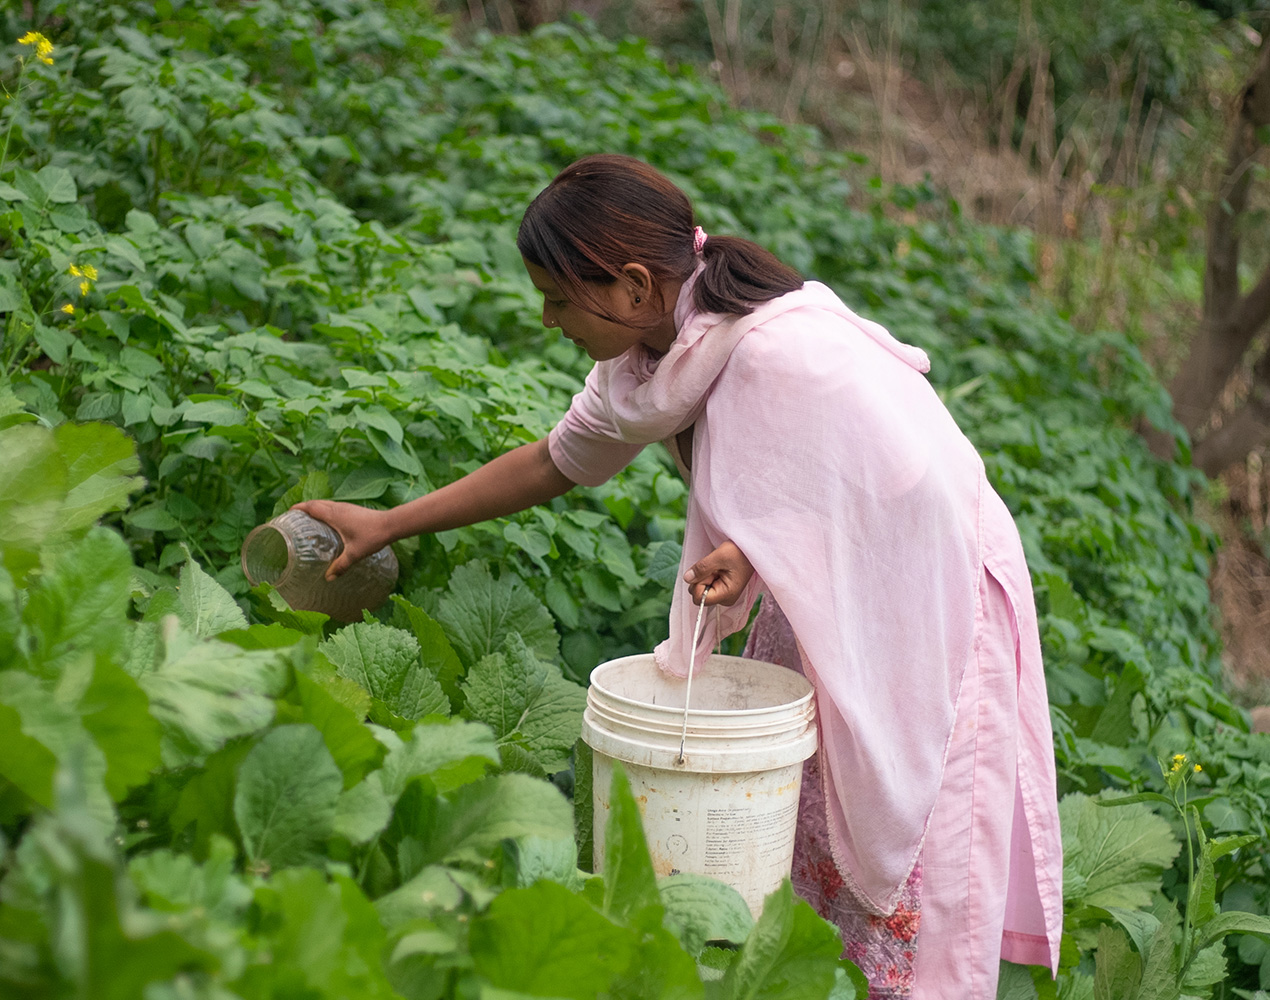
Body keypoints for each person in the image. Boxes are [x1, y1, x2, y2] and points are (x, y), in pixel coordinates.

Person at [295, 153, 1063, 999]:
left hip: (928, 597)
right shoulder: (651, 364)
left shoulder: (781, 352)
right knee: (811, 805)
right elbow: (555, 461)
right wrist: (390, 523)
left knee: (909, 830)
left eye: (558, 297)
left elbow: (916, 480)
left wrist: (767, 549)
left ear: (631, 286)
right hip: (831, 596)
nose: (549, 319)